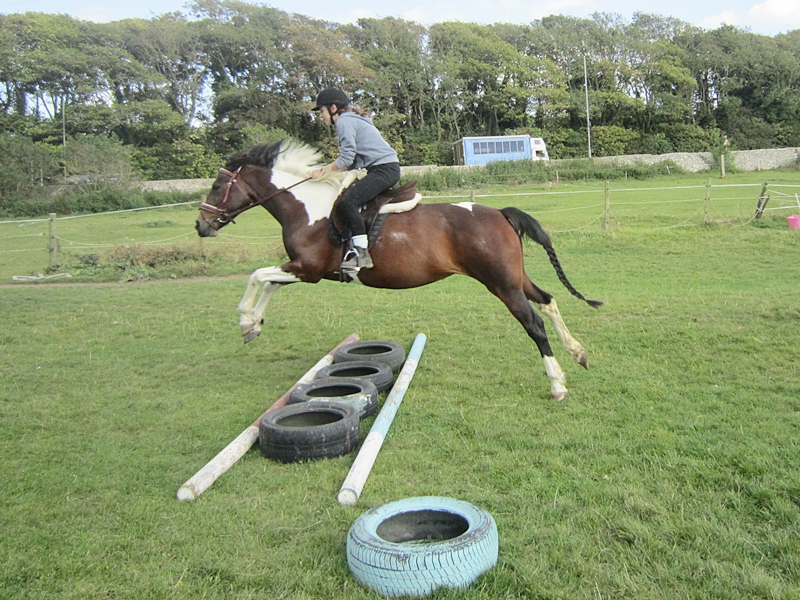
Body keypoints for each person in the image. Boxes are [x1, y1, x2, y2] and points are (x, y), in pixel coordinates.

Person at [310, 87, 400, 275]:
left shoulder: (343, 122)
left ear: (333, 108)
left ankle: (361, 254)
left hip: (383, 170)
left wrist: (322, 171)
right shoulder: (354, 120)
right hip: (384, 168)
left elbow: (346, 159)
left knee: (347, 203)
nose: (321, 116)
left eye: (321, 111)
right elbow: (355, 162)